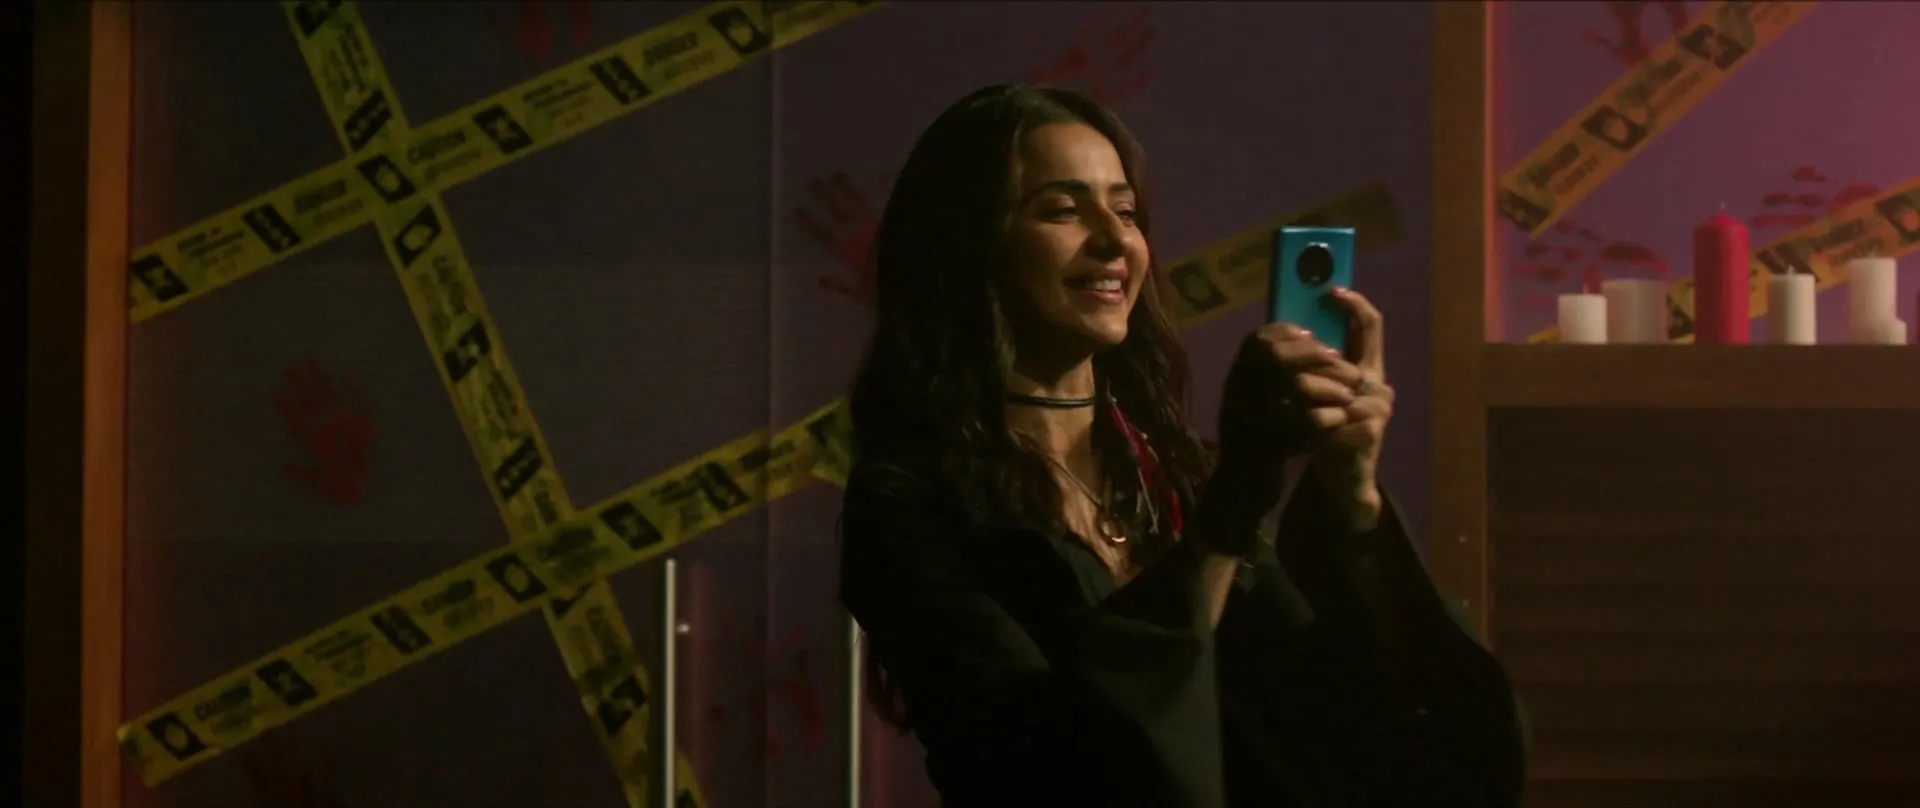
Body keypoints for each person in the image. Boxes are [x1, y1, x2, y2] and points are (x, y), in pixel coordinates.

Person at [836, 84, 1526, 808]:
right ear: (969, 245)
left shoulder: (1172, 474)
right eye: (1063, 210)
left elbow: (1392, 730)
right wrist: (1230, 508)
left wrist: (1350, 495)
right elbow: (1062, 762)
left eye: (1126, 211)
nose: (1115, 241)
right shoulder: (906, 505)